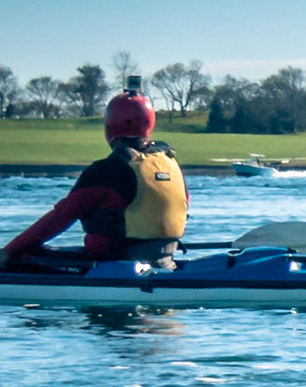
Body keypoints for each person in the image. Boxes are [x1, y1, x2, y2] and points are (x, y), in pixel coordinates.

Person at [4, 82, 189, 265]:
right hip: (163, 259)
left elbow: (58, 219)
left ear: (110, 125)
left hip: (114, 262)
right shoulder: (171, 165)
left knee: (26, 255)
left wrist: (9, 251)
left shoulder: (106, 171)